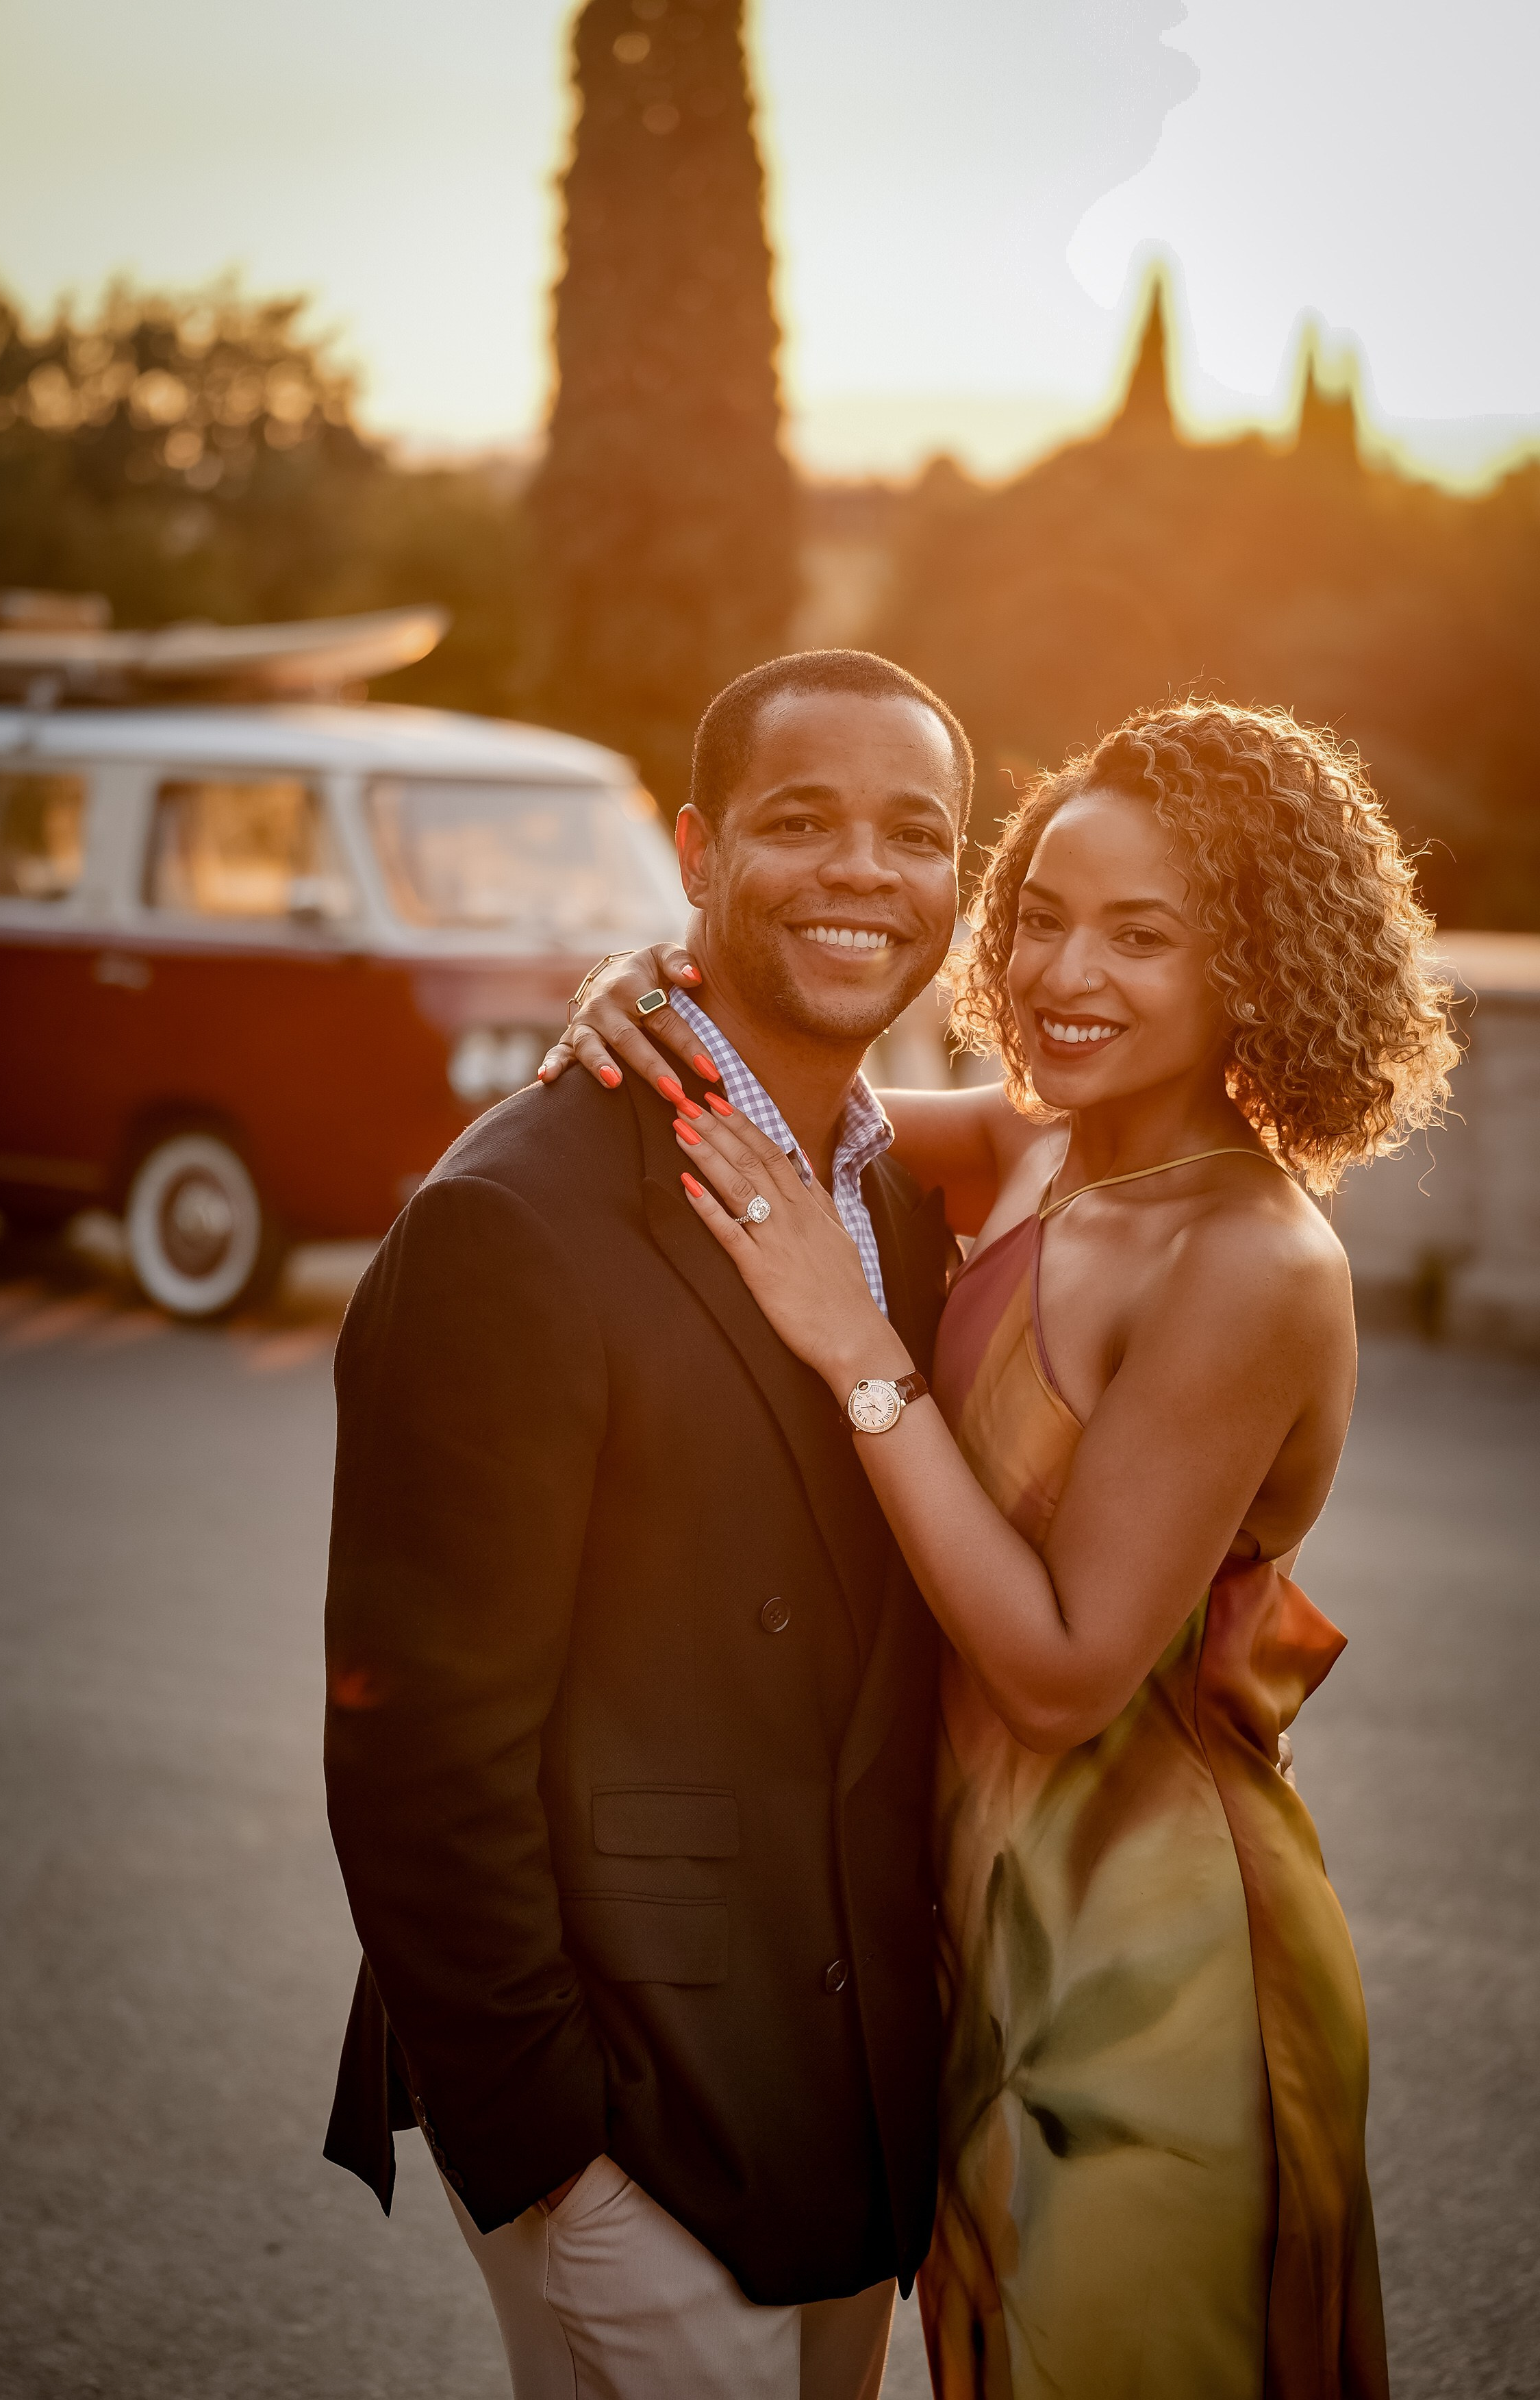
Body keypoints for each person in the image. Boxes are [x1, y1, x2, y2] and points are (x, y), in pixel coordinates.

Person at [546, 697, 1458, 2397]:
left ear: (1252, 965)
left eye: (1140, 937)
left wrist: (855, 1343)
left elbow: (1057, 1676)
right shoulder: (1037, 1149)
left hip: (1152, 1967)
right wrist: (646, 994)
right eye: (1040, 918)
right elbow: (766, 1107)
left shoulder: (1250, 1264)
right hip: (966, 1939)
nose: (1061, 977)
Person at [322, 649, 980, 2400]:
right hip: (632, 2119)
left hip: (849, 2093)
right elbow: (415, 1740)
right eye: (800, 822)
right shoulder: (510, 1220)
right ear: (696, 851)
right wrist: (551, 2150)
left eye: (915, 834)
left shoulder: (907, 1201)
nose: (862, 872)